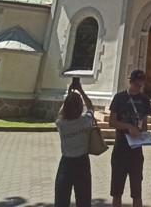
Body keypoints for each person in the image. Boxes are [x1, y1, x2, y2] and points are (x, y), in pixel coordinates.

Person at [108, 69, 151, 207]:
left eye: (142, 82)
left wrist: (144, 134)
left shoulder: (145, 100)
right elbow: (111, 122)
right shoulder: (119, 98)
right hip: (121, 149)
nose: (140, 85)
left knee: (137, 191)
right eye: (137, 82)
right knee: (117, 191)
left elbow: (144, 124)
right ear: (131, 81)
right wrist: (128, 127)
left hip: (136, 151)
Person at [54, 79, 95, 207]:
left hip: (66, 163)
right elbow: (91, 107)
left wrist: (69, 93)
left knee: (61, 198)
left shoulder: (61, 124)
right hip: (82, 162)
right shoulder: (85, 121)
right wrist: (81, 91)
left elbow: (60, 114)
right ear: (79, 107)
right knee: (84, 199)